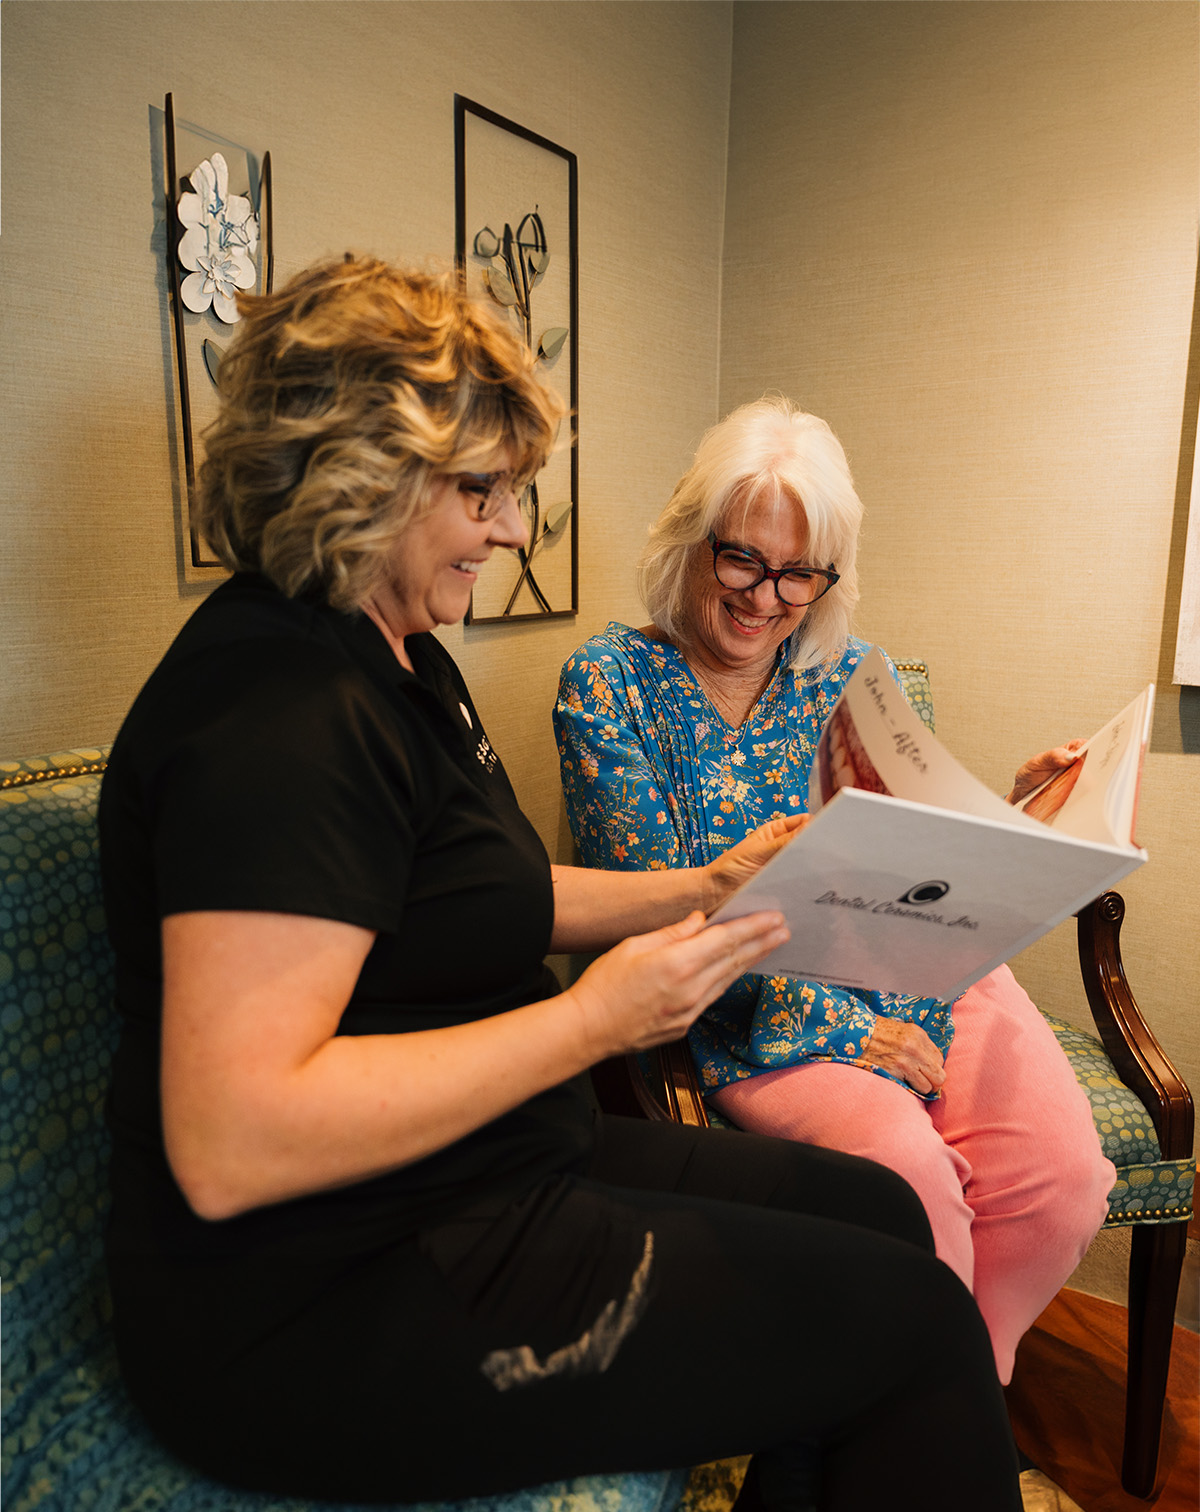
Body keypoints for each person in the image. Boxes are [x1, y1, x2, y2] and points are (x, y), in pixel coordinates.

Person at [100, 260, 1023, 1512]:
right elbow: (234, 1144)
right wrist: (594, 1019)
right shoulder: (275, 716)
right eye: (481, 489)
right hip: (320, 1292)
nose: (514, 529)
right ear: (353, 473)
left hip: (479, 1167)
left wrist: (699, 886)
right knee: (919, 1331)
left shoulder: (400, 656)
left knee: (879, 1214)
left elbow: (488, 897)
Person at [555, 396, 1116, 1386]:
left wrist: (1019, 817)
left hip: (917, 957)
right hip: (752, 999)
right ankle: (922, 1425)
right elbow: (666, 913)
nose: (766, 598)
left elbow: (909, 847)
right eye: (743, 559)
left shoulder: (853, 671)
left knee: (1062, 1184)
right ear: (692, 536)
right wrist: (847, 1031)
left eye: (799, 573)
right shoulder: (610, 685)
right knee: (912, 1198)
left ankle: (956, 1402)